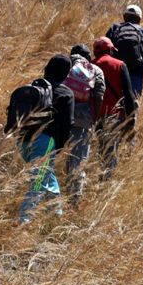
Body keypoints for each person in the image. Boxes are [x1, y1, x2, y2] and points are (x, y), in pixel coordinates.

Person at [13, 54, 74, 223]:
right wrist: (59, 147)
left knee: (46, 174)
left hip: (23, 140)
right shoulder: (65, 92)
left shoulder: (34, 87)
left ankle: (56, 216)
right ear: (66, 73)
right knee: (38, 182)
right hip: (45, 143)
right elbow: (68, 124)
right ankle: (23, 221)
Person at [61, 44, 105, 202]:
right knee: (78, 162)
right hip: (82, 121)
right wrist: (95, 118)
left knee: (46, 161)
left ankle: (40, 192)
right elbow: (99, 96)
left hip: (58, 120)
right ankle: (74, 200)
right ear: (88, 57)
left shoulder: (62, 63)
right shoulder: (95, 70)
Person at [91, 36, 137, 178]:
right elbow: (128, 95)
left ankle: (101, 177)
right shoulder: (119, 65)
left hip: (95, 115)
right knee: (111, 152)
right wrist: (131, 119)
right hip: (114, 115)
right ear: (111, 49)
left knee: (101, 149)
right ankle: (106, 184)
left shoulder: (89, 66)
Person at [106, 4, 143, 97]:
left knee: (114, 101)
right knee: (132, 104)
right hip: (136, 74)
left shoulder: (114, 29)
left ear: (124, 16)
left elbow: (105, 50)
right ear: (139, 18)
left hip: (116, 72)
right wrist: (140, 64)